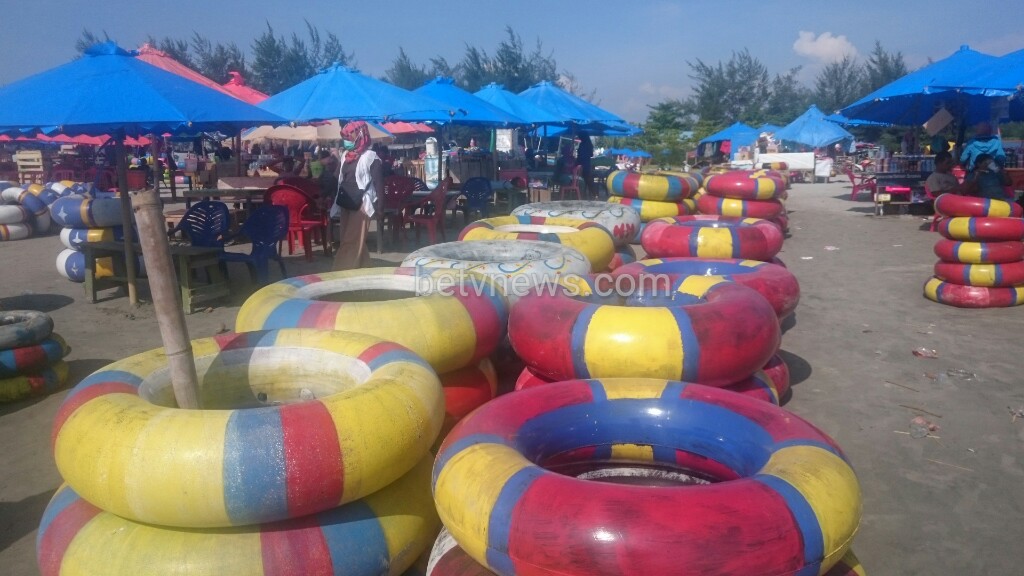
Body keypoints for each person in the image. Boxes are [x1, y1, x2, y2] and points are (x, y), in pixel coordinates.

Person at [328, 121, 383, 271]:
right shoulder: (346, 155)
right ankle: (365, 271)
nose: (346, 140)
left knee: (349, 242)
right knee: (355, 241)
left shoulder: (371, 157)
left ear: (360, 135)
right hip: (346, 202)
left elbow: (379, 185)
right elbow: (337, 177)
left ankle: (341, 274)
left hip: (361, 206)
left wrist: (380, 209)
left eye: (349, 136)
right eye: (345, 137)